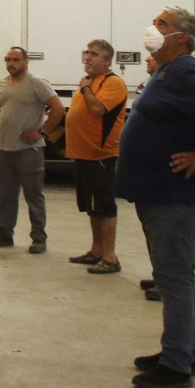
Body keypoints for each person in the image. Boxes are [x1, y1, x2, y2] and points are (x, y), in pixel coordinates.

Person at [115, 6, 195, 388]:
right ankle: (180, 352)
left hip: (178, 196)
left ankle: (177, 364)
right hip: (160, 194)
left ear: (181, 37)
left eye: (162, 23)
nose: (153, 27)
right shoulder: (166, 71)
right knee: (175, 277)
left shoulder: (185, 69)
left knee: (175, 280)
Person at [0, 46, 65, 254]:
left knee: (33, 194)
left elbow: (58, 109)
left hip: (29, 150)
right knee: (5, 193)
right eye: (8, 59)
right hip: (5, 150)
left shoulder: (36, 83)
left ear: (26, 62)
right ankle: (3, 233)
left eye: (16, 59)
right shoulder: (0, 85)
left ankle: (39, 238)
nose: (12, 64)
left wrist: (42, 132)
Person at [64, 39, 128, 274]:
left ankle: (110, 257)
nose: (88, 58)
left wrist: (86, 89)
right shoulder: (90, 82)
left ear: (108, 60)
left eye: (95, 54)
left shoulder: (113, 83)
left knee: (104, 206)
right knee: (92, 206)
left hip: (100, 155)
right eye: (87, 53)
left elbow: (98, 109)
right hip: (83, 154)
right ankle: (96, 250)